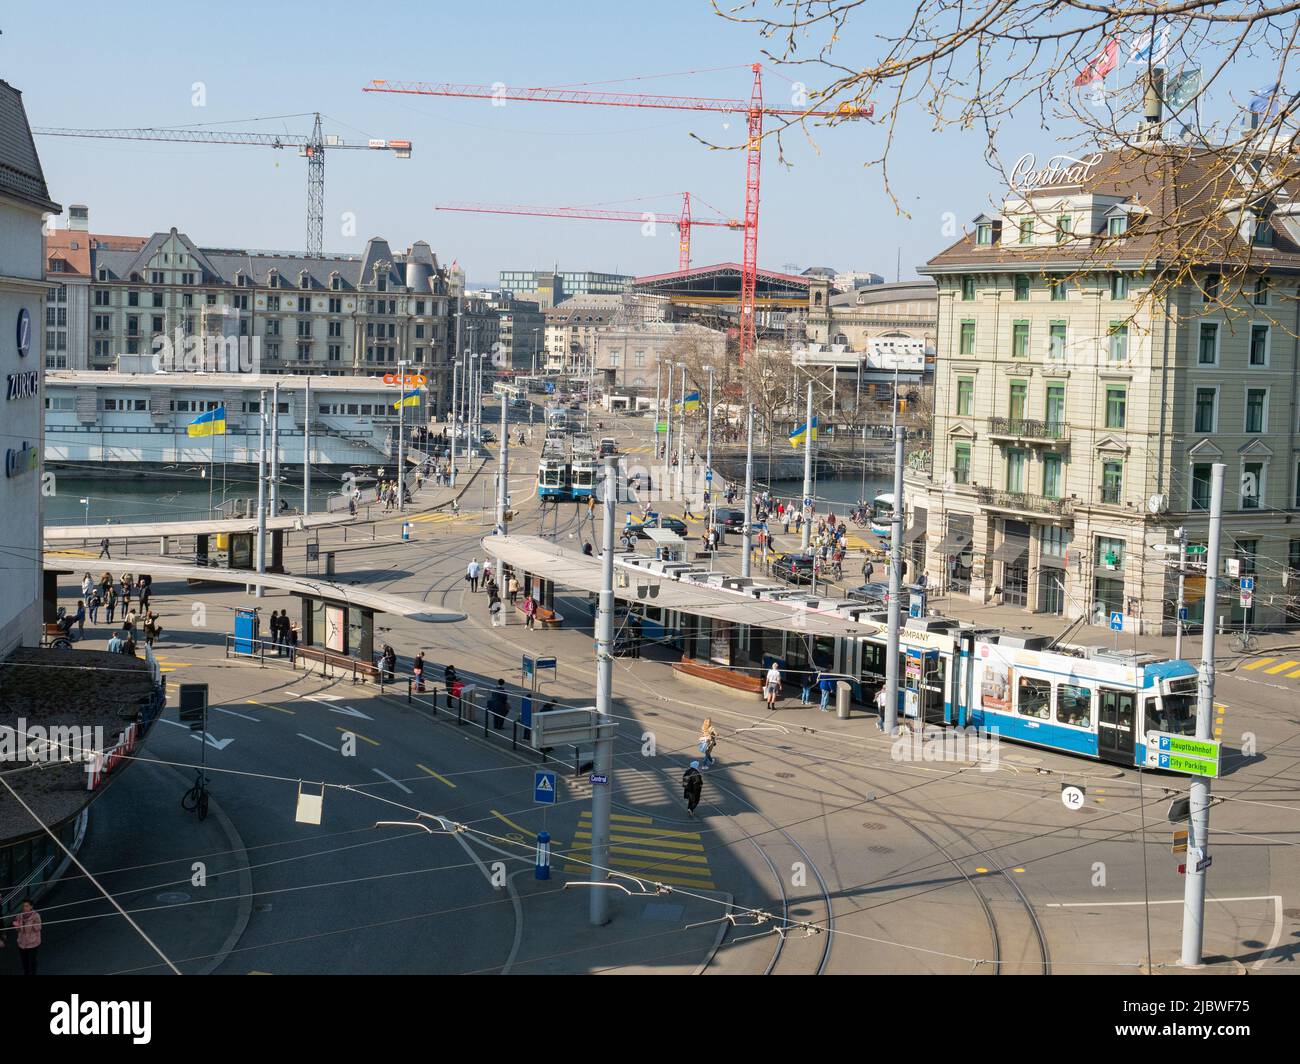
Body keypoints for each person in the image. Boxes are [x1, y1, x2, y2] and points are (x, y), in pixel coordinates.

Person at [1, 900, 42, 975]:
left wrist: (30, 923)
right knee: (24, 962)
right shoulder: (19, 916)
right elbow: (18, 930)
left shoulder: (36, 916)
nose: (24, 908)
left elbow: (38, 928)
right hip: (22, 943)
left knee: (32, 961)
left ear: (31, 906)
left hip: (33, 943)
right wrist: (17, 925)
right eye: (23, 906)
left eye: (26, 906)